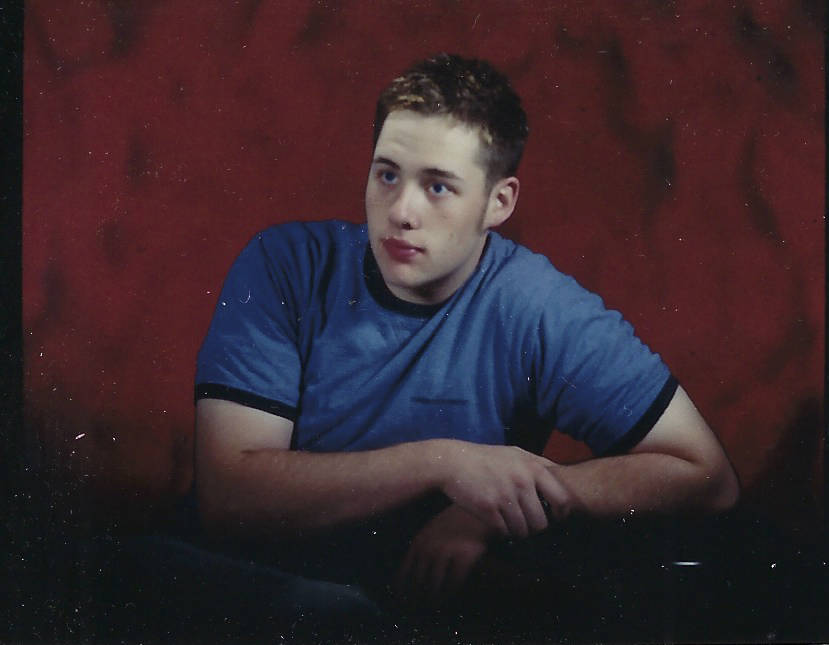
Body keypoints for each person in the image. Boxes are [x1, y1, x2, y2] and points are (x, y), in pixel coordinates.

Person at [193, 53, 739, 614]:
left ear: (498, 203)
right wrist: (447, 463)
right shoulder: (286, 265)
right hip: (263, 590)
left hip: (415, 600)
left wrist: (493, 509)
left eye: (438, 187)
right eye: (387, 174)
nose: (401, 211)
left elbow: (705, 476)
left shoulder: (538, 307)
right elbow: (228, 498)